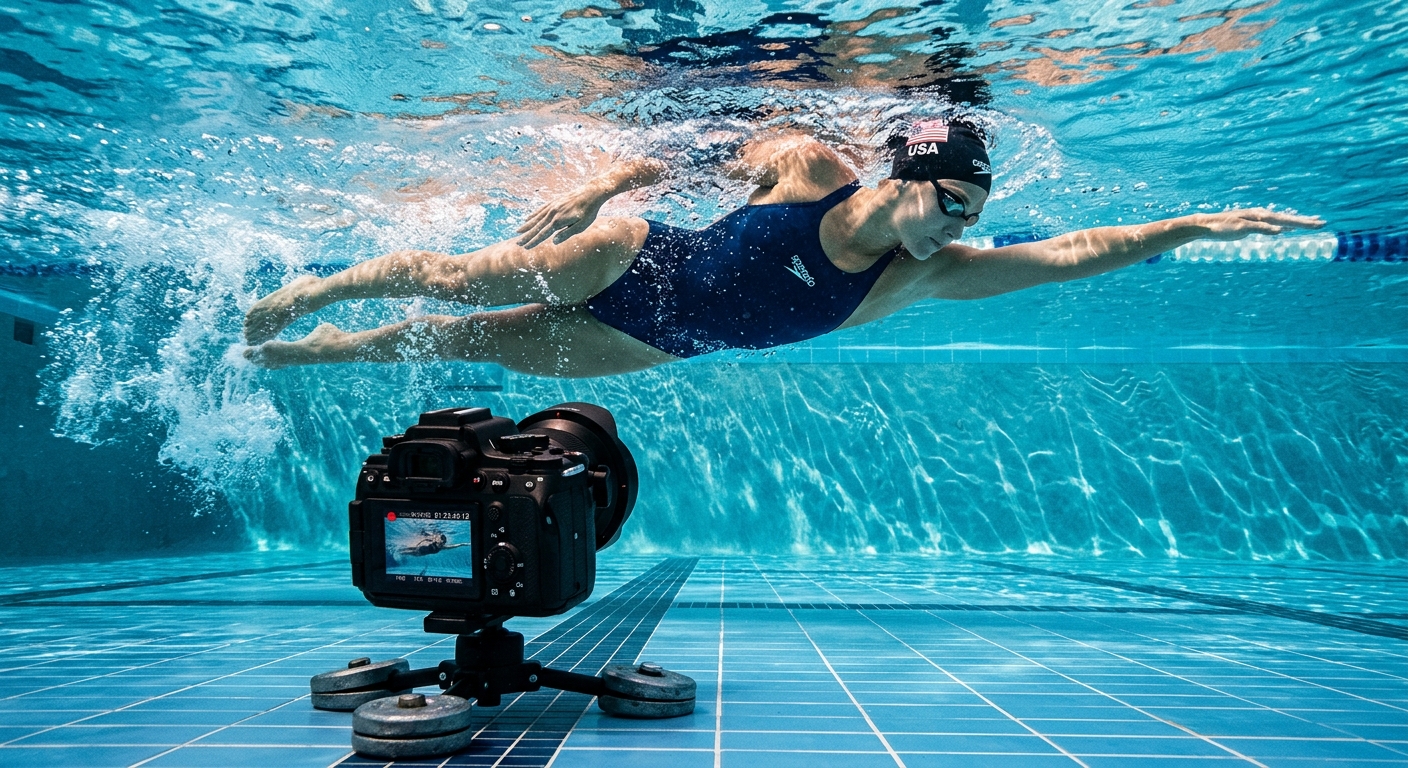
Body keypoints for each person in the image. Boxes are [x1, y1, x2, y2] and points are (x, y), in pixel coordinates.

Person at [242, 119, 1323, 376]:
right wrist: (612, 178)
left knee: (467, 343)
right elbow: (703, 147)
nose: (967, 226)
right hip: (634, 260)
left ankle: (313, 351)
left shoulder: (930, 273)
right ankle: (317, 288)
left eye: (975, 209)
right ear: (904, 178)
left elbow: (1073, 254)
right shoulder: (811, 167)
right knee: (460, 278)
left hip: (664, 344)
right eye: (953, 200)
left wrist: (1183, 228)